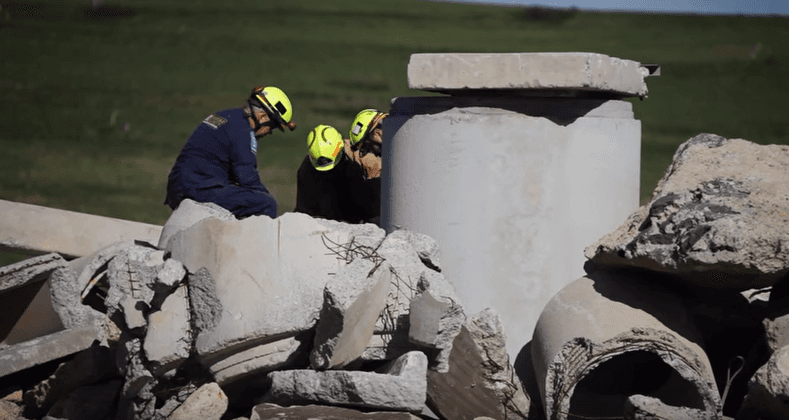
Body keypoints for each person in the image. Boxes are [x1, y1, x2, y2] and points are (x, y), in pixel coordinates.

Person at [164, 85, 296, 219]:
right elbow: (248, 179)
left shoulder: (226, 115)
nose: (269, 133)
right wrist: (266, 196)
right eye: (272, 127)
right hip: (198, 189)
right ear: (262, 117)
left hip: (179, 186)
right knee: (266, 204)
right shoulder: (243, 131)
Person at [294, 124, 377, 224]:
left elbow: (373, 209)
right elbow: (304, 211)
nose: (327, 170)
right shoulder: (307, 170)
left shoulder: (361, 161)